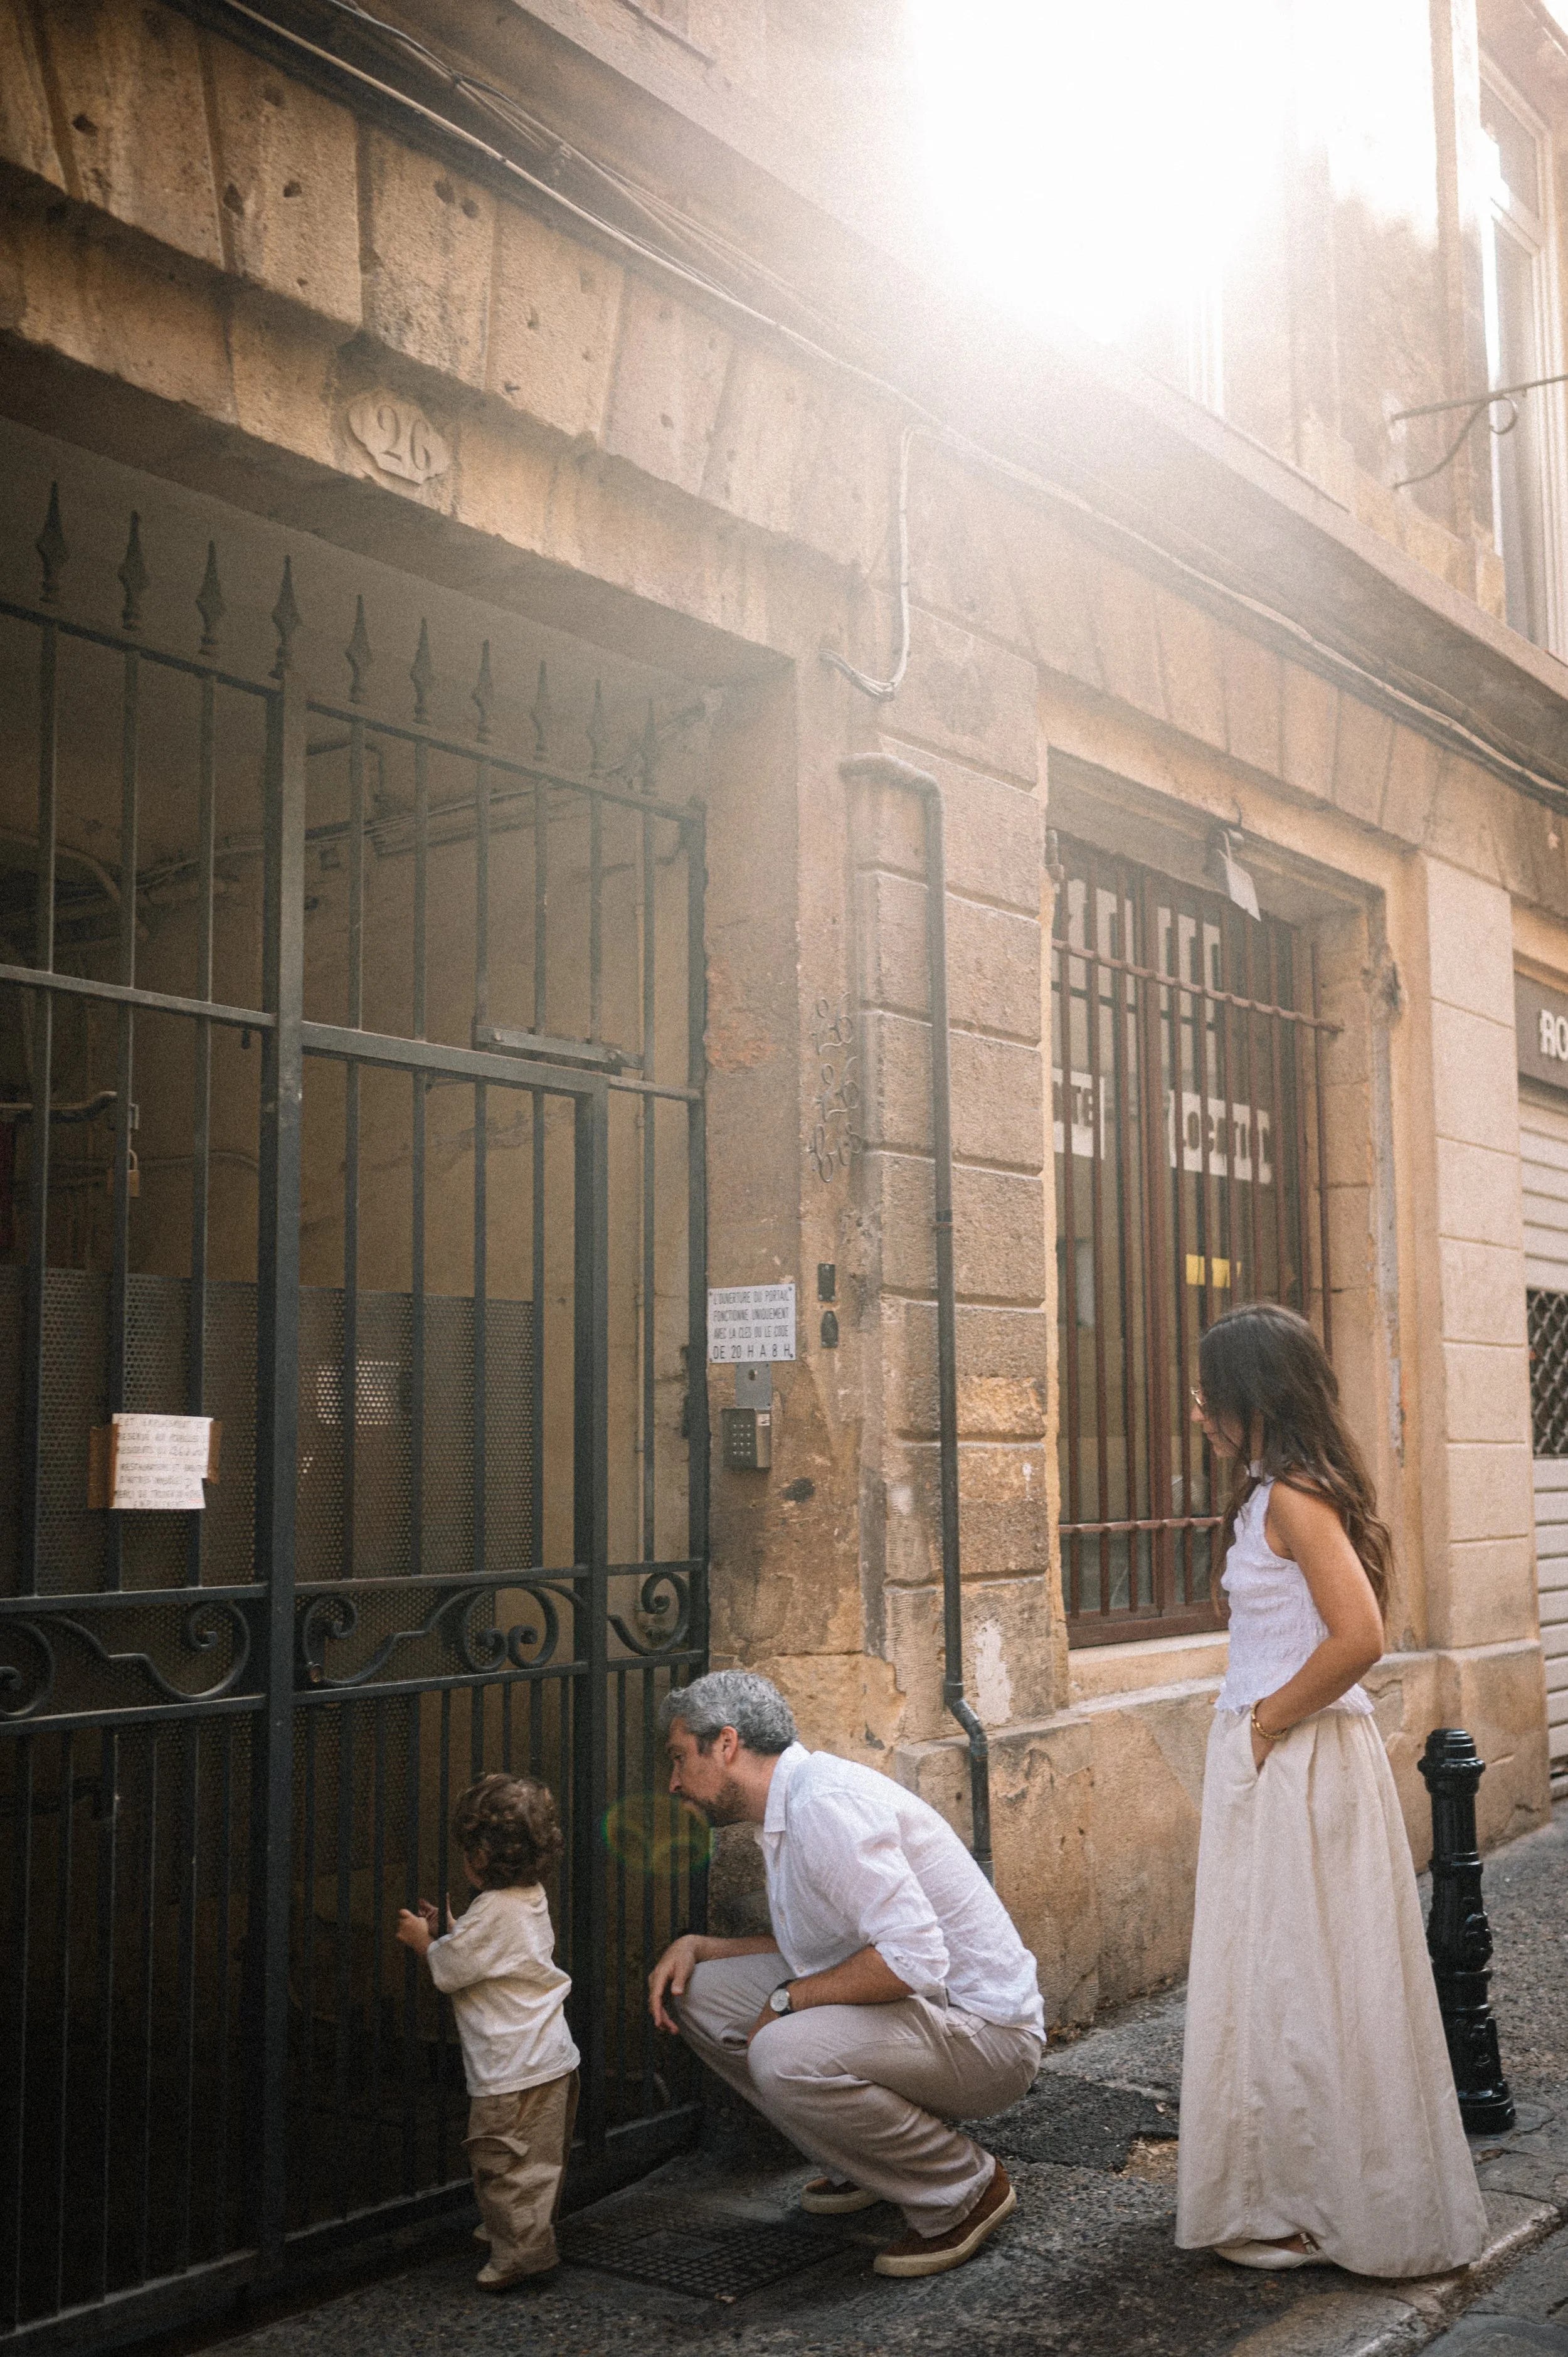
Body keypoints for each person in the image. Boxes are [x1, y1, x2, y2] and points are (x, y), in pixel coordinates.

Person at [1177, 1303, 1487, 2278]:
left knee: (1303, 1977)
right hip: (1286, 1748)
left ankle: (1320, 2199)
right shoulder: (1277, 1492)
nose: (1198, 1408)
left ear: (1253, 1396)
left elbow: (1359, 1638)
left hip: (1297, 1753)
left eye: (1211, 1390)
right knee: (1287, 1978)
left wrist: (1268, 1723)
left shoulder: (1294, 1501)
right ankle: (1297, 2189)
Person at [647, 1669, 1044, 2279]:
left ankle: (963, 2188)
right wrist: (700, 1945)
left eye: (679, 1757)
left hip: (989, 2038)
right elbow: (813, 1946)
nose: (673, 1781)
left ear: (726, 1745)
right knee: (696, 1991)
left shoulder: (822, 1805)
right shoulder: (788, 1805)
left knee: (782, 2049)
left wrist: (789, 1998)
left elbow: (915, 1958)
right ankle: (868, 2162)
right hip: (928, 2015)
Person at [396, 1772, 580, 2292]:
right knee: (539, 2161)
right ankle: (519, 2231)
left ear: (480, 1856)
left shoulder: (495, 1910)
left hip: (511, 2071)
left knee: (503, 2164)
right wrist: (451, 1932)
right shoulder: (527, 1896)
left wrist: (421, 1940)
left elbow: (452, 1970)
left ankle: (522, 2255)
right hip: (550, 2058)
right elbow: (483, 1953)